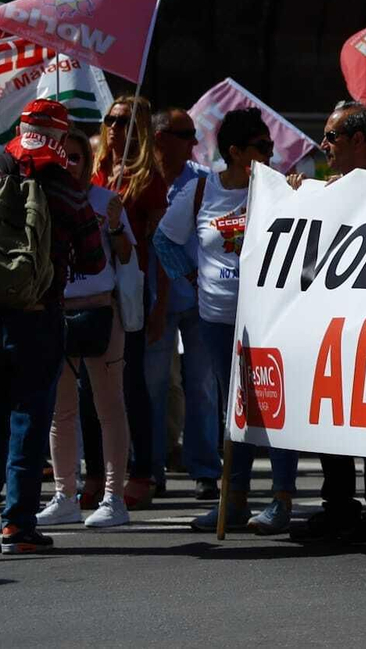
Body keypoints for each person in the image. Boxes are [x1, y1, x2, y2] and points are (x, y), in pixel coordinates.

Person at [0, 99, 106, 554]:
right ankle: (17, 526)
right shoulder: (68, 187)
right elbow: (94, 258)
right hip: (39, 317)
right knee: (29, 421)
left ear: (21, 128)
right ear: (59, 137)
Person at [157, 107, 299, 536]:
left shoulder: (278, 189)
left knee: (274, 407)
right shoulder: (202, 192)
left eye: (271, 146)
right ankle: (233, 501)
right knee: (234, 410)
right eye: (262, 147)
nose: (271, 153)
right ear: (235, 152)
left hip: (270, 318)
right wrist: (190, 277)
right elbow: (165, 239)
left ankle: (282, 498)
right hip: (217, 320)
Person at [291, 101, 366, 544]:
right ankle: (338, 506)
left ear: (360, 142)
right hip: (331, 326)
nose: (323, 146)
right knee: (329, 419)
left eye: (332, 137)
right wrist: (300, 196)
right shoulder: (327, 188)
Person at [36, 131, 136, 530]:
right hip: (57, 311)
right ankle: (65, 496)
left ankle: (114, 497)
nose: (69, 165)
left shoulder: (104, 200)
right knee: (60, 412)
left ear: (89, 161)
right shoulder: (43, 199)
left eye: (76, 157)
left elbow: (127, 253)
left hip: (100, 312)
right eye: (62, 158)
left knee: (109, 407)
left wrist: (114, 226)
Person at [92, 95, 169, 508]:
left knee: (132, 384)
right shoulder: (94, 170)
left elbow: (159, 250)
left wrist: (159, 306)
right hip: (89, 286)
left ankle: (142, 470)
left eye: (122, 121)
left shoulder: (148, 179)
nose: (113, 128)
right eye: (109, 120)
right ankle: (98, 471)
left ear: (137, 129)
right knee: (92, 383)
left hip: (129, 289)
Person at [148, 107, 211, 498]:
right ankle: (151, 469)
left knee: (202, 387)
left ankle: (205, 468)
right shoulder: (139, 181)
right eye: (184, 133)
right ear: (159, 138)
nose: (193, 142)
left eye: (194, 133)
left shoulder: (205, 182)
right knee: (153, 386)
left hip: (198, 300)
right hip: (152, 302)